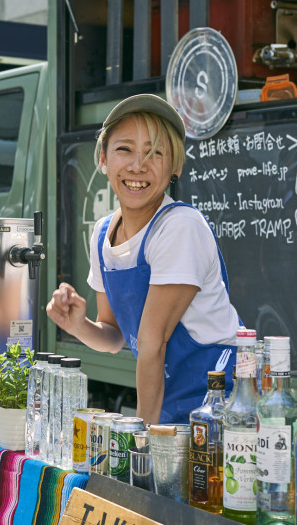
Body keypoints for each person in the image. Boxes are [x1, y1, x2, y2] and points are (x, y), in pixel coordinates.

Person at [46, 94, 240, 425]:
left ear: (175, 166)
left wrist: (142, 444)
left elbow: (151, 346)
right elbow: (114, 335)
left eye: (155, 153)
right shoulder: (103, 233)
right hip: (170, 406)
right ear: (104, 159)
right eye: (124, 150)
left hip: (219, 404)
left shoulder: (179, 227)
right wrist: (78, 325)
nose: (138, 165)